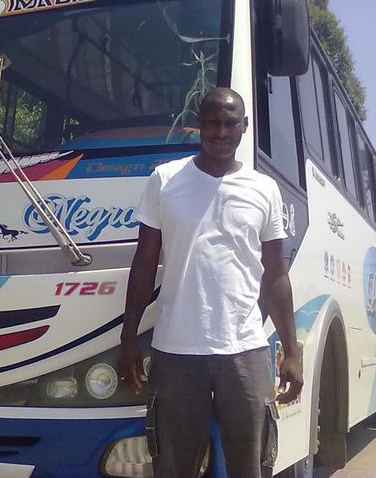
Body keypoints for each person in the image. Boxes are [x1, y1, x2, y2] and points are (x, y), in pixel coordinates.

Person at [118, 87, 303, 478]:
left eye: (230, 123)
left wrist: (292, 350)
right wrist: (128, 336)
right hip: (175, 350)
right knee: (174, 467)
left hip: (246, 350)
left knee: (250, 466)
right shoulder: (164, 181)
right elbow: (144, 263)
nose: (221, 132)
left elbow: (276, 275)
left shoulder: (264, 189)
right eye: (212, 122)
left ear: (244, 127)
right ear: (198, 125)